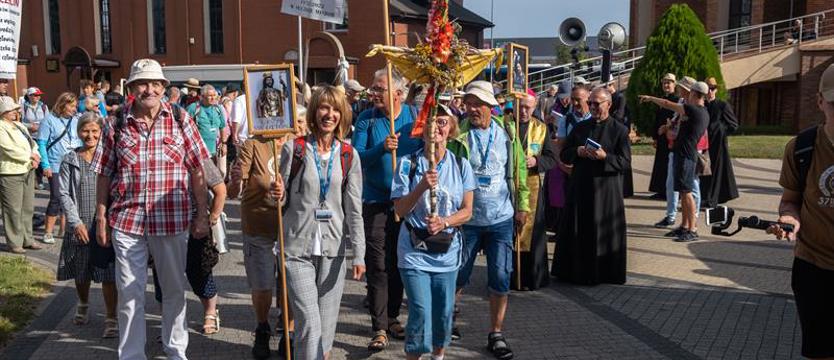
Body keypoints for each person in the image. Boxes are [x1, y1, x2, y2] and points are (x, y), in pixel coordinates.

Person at [92, 58, 211, 359]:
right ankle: (132, 355)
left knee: (172, 290)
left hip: (171, 220)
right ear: (131, 88)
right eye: (142, 83)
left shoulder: (182, 119)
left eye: (155, 83)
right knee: (130, 294)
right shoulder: (114, 124)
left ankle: (175, 351)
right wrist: (101, 217)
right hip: (127, 221)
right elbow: (104, 173)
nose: (150, 89)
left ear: (163, 87)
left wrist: (203, 214)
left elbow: (198, 170)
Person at [269, 85, 366, 359]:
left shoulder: (349, 155)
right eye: (324, 107)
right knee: (309, 322)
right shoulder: (294, 148)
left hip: (333, 251)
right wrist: (276, 192)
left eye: (336, 109)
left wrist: (359, 253)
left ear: (343, 115)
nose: (330, 114)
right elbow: (280, 198)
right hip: (296, 249)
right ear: (314, 111)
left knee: (325, 328)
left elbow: (354, 209)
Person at [449, 80, 530, 360]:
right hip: (467, 219)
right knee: (459, 273)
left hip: (501, 219)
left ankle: (496, 333)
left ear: (490, 107)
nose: (470, 108)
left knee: (500, 275)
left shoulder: (507, 133)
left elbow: (518, 170)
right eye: (468, 103)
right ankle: (448, 321)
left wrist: (522, 205)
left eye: (476, 104)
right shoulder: (458, 133)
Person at [391, 105, 474, 360]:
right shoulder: (408, 163)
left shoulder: (461, 164)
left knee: (443, 313)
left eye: (442, 122)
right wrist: (421, 187)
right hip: (414, 252)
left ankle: (438, 356)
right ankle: (414, 355)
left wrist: (445, 222)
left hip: (447, 254)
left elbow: (468, 211)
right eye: (430, 122)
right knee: (420, 310)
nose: (436, 128)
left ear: (450, 129)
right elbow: (400, 211)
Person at [767, 63, 834, 360]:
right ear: (820, 101)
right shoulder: (802, 147)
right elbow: (791, 199)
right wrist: (788, 218)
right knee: (820, 352)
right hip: (813, 267)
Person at [352, 68, 422, 350]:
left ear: (398, 94)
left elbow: (424, 150)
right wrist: (381, 148)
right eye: (373, 88)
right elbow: (356, 159)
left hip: (405, 203)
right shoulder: (366, 120)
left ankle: (393, 316)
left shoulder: (413, 117)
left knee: (398, 262)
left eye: (379, 89)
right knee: (378, 265)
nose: (373, 93)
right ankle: (379, 327)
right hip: (376, 202)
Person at [553, 88, 631, 285]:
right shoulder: (581, 128)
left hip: (606, 190)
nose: (594, 107)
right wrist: (577, 151)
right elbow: (564, 154)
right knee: (580, 228)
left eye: (598, 103)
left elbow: (625, 162)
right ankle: (575, 271)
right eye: (592, 103)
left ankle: (606, 272)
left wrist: (606, 157)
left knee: (602, 229)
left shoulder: (619, 130)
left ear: (609, 104)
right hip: (581, 187)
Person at [56, 112, 118, 338]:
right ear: (78, 131)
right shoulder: (70, 158)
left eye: (94, 131)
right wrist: (75, 223)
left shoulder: (109, 158)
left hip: (105, 223)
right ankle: (83, 302)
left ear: (102, 132)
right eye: (85, 130)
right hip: (79, 221)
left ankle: (111, 318)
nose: (90, 135)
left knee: (108, 273)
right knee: (81, 271)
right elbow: (63, 194)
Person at [151, 158, 226, 336]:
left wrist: (211, 218)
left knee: (199, 272)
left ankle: (210, 311)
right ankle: (169, 324)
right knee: (162, 276)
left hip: (194, 226)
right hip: (161, 225)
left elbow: (220, 190)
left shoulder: (196, 154)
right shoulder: (153, 151)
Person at [640, 79, 710, 242]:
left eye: (690, 92)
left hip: (686, 156)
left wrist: (651, 98)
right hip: (683, 154)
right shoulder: (701, 111)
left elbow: (666, 103)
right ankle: (684, 226)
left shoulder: (694, 110)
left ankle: (692, 229)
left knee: (687, 193)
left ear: (694, 94)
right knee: (683, 192)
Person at [514, 93, 557, 291]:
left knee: (533, 233)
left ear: (535, 108)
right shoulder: (505, 126)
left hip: (532, 185)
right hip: (508, 186)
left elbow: (551, 158)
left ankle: (532, 278)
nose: (524, 111)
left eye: (528, 108)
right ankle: (511, 277)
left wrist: (537, 161)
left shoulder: (541, 128)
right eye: (521, 107)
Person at [38, 92, 81, 245]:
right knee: (56, 196)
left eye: (75, 106)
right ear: (63, 104)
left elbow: (80, 139)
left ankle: (65, 230)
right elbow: (42, 143)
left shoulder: (76, 120)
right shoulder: (49, 120)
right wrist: (45, 165)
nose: (74, 109)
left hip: (72, 163)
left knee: (71, 196)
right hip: (55, 164)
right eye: (71, 106)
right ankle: (48, 232)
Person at [0, 96, 41, 254]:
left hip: (28, 169)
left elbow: (33, 143)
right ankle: (14, 242)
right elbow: (7, 149)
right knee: (13, 209)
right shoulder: (1, 127)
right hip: (10, 172)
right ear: (4, 112)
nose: (16, 112)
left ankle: (27, 238)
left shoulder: (19, 126)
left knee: (27, 207)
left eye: (16, 110)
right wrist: (29, 157)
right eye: (12, 110)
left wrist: (36, 155)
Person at [700, 77, 739, 208]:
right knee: (704, 170)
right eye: (708, 89)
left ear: (716, 90)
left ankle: (712, 199)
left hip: (718, 145)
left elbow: (733, 125)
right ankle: (704, 196)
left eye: (713, 88)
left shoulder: (722, 105)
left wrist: (721, 131)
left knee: (716, 171)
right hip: (704, 144)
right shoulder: (702, 105)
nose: (710, 91)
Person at [648, 73, 678, 199]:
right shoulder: (661, 100)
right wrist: (655, 137)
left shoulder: (676, 101)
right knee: (660, 164)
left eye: (669, 83)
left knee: (668, 165)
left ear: (674, 85)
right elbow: (657, 119)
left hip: (671, 137)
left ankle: (668, 192)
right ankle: (661, 190)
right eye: (664, 82)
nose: (666, 85)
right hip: (661, 138)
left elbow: (677, 119)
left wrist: (667, 128)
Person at [187, 84, 226, 160]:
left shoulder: (218, 109)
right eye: (210, 96)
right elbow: (184, 127)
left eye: (214, 95)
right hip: (197, 152)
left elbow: (222, 126)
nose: (213, 98)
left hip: (214, 151)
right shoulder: (193, 108)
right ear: (203, 96)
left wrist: (224, 144)